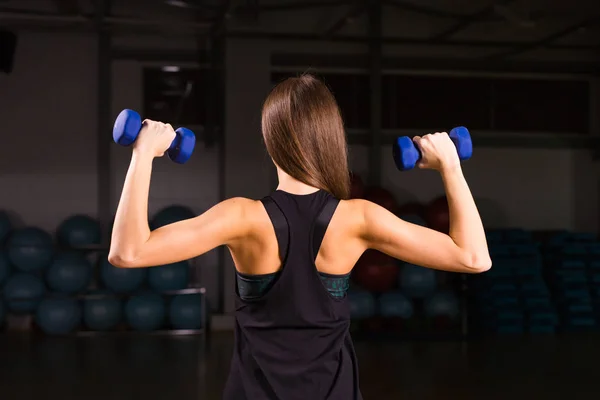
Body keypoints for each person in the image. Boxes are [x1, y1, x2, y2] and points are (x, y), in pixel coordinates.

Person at [109, 74, 491, 399]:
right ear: (330, 138)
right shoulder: (358, 218)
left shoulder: (241, 217)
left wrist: (142, 154)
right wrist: (450, 167)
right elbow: (473, 257)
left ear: (270, 141)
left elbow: (127, 254)